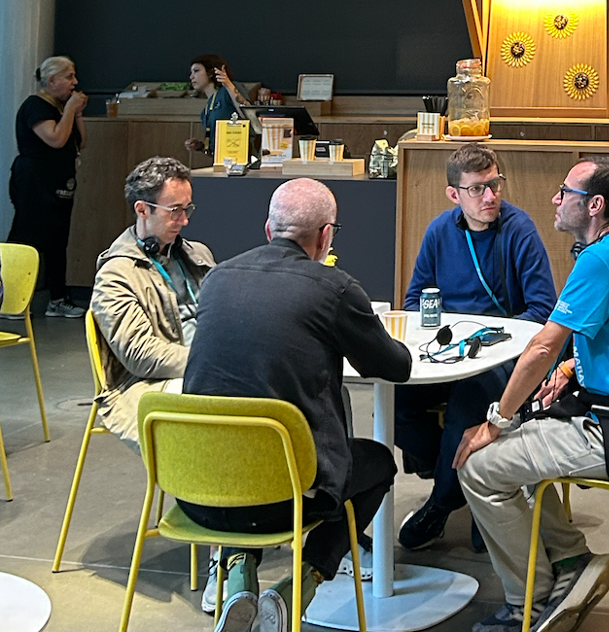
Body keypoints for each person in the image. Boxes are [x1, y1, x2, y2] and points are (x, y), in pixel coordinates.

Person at [454, 156, 609, 632]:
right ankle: (571, 561)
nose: (555, 199)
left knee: (478, 466)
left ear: (594, 205)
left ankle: (527, 602)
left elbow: (541, 347)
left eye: (566, 192)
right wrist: (573, 365)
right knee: (521, 447)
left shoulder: (597, 261)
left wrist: (496, 421)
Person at [182, 179, 411, 632]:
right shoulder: (334, 289)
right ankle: (299, 586)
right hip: (288, 497)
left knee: (241, 450)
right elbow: (393, 367)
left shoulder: (217, 278)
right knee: (379, 464)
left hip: (197, 491)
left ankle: (239, 581)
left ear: (269, 229)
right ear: (326, 236)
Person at [396, 142, 557, 550]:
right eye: (477, 189)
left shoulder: (519, 230)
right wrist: (438, 333)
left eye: (495, 184)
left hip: (503, 354)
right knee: (397, 399)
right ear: (454, 194)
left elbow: (542, 309)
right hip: (448, 351)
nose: (490, 196)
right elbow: (415, 300)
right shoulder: (439, 232)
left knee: (468, 402)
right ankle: (464, 482)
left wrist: (491, 338)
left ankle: (440, 503)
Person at [91, 156, 215, 447]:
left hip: (207, 365)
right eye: (175, 211)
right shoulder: (116, 274)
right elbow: (141, 355)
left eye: (187, 209)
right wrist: (211, 362)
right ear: (142, 209)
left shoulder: (198, 254)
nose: (184, 220)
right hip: (149, 382)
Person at [7, 56, 87, 316]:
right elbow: (55, 139)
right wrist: (70, 110)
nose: (74, 82)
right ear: (52, 80)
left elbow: (80, 141)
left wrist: (76, 113)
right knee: (27, 237)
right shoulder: (35, 106)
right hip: (35, 181)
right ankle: (9, 299)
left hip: (60, 181)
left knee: (58, 240)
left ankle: (57, 299)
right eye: (69, 77)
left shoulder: (61, 108)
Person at [184, 54, 240, 157]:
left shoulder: (229, 89)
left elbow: (247, 113)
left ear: (210, 73)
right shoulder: (205, 111)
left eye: (196, 71)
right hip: (221, 160)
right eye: (191, 73)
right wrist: (201, 146)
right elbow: (215, 149)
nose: (191, 77)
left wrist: (228, 84)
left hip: (240, 157)